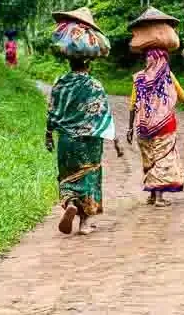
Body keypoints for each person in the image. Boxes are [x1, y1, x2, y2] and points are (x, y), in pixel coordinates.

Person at [45, 57, 115, 235]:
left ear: (69, 63)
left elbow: (52, 110)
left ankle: (70, 204)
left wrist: (48, 134)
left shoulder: (60, 84)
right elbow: (104, 114)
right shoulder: (94, 85)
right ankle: (84, 223)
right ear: (89, 65)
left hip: (67, 140)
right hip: (90, 141)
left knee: (68, 176)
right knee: (89, 177)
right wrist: (115, 140)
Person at [127, 48, 184, 207]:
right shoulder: (167, 76)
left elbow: (133, 105)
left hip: (143, 126)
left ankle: (153, 195)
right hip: (165, 126)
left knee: (149, 159)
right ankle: (159, 197)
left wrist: (130, 128)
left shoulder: (139, 78)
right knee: (162, 158)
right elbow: (183, 97)